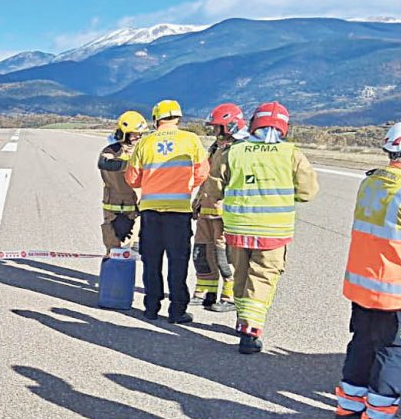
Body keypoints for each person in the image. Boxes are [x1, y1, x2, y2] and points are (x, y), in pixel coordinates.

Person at [213, 101, 318, 354]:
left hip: (238, 228)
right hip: (273, 232)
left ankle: (242, 320)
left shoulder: (235, 151)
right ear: (285, 128)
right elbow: (307, 193)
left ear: (253, 124)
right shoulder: (291, 154)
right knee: (262, 276)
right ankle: (251, 331)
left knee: (241, 274)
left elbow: (214, 187)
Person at [334, 122, 401, 419]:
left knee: (362, 341)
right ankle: (378, 415)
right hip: (394, 286)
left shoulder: (371, 182)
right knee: (393, 350)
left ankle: (348, 405)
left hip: (364, 282)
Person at [125, 100, 209, 324]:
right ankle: (177, 311)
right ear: (178, 118)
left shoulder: (146, 142)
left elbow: (132, 179)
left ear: (156, 119)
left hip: (150, 213)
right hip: (179, 213)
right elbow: (203, 172)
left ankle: (151, 307)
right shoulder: (190, 139)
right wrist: (185, 185)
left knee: (151, 262)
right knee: (177, 262)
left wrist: (151, 182)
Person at [191, 103, 248, 313]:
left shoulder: (240, 150)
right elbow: (207, 179)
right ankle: (206, 291)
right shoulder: (216, 148)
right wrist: (197, 202)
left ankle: (230, 295)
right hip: (206, 210)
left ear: (230, 126)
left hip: (224, 213)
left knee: (225, 255)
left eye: (218, 127)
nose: (215, 132)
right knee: (201, 252)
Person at [97, 111, 146, 255]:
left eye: (140, 134)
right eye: (134, 133)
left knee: (130, 249)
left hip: (135, 207)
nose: (138, 137)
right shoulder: (112, 150)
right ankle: (111, 275)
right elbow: (105, 163)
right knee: (114, 247)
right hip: (115, 208)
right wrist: (130, 164)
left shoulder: (141, 150)